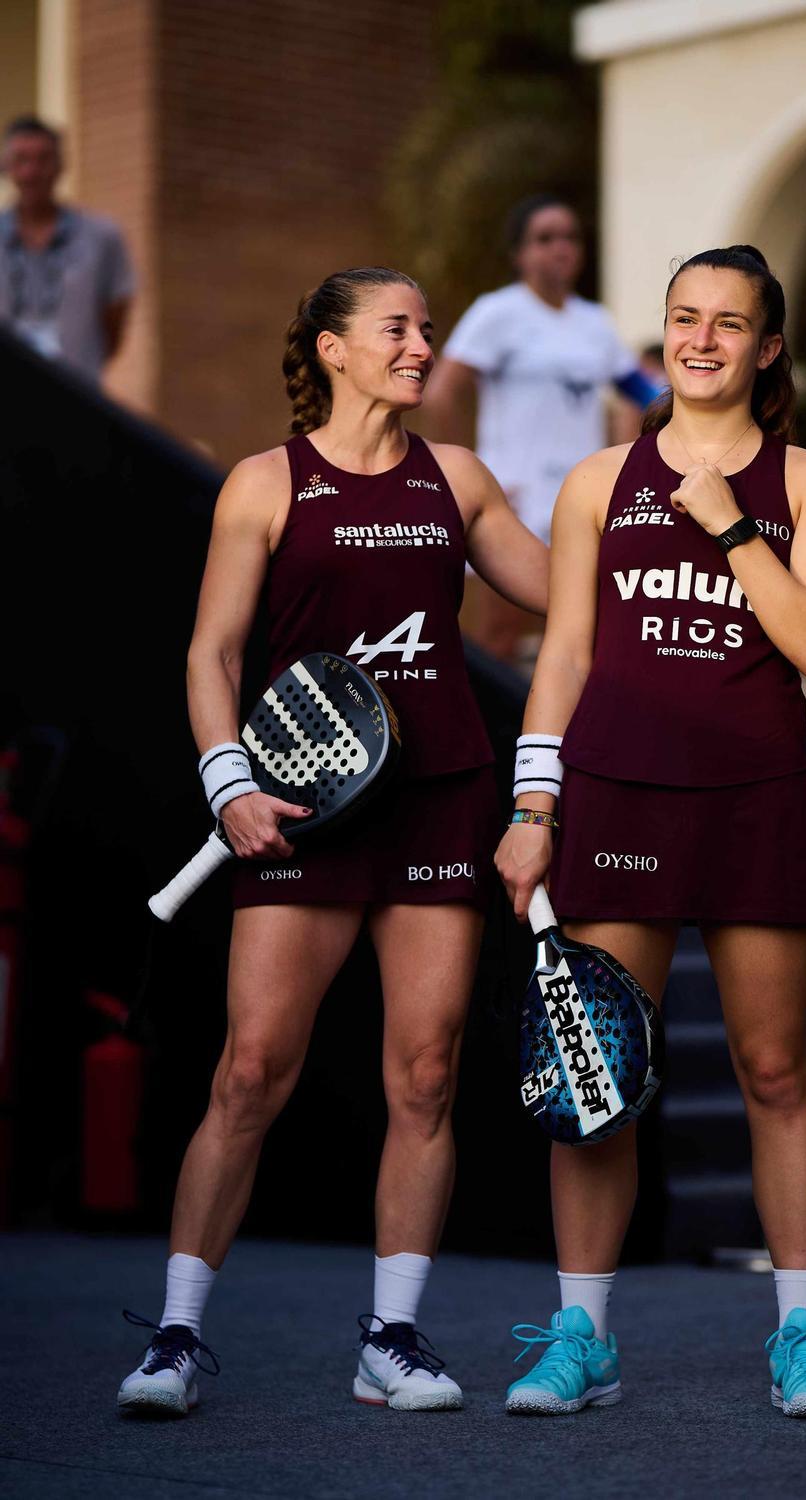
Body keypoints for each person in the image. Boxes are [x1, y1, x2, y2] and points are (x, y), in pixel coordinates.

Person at [117, 266, 547, 1416]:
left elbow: (566, 592)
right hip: (300, 808)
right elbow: (211, 654)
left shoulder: (456, 479)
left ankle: (392, 1339)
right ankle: (172, 1337)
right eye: (398, 328)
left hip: (437, 799)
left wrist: (652, 503)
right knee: (251, 1069)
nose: (421, 346)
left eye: (425, 327)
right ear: (334, 349)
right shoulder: (264, 484)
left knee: (427, 1072)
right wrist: (227, 784)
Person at [495, 245, 806, 1418]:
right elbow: (565, 655)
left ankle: (803, 1335)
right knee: (594, 1071)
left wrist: (731, 527)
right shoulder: (600, 478)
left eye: (728, 322)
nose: (701, 338)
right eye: (683, 317)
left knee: (774, 1068)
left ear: (767, 348)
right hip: (619, 796)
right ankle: (581, 1338)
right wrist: (532, 804)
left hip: (758, 795)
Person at [423, 194, 657, 662]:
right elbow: (440, 393)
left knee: (584, 629)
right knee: (500, 632)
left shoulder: (595, 322)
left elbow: (647, 395)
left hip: (581, 498)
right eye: (545, 238)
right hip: (513, 498)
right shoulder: (498, 312)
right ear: (520, 254)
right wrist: (466, 480)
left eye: (570, 237)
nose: (560, 248)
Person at [0, 115, 134, 380]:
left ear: (61, 165)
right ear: (5, 166)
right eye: (21, 160)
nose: (31, 172)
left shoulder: (101, 236)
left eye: (43, 160)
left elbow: (114, 324)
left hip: (75, 394)